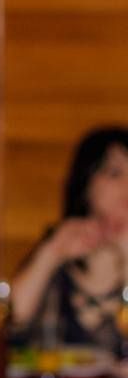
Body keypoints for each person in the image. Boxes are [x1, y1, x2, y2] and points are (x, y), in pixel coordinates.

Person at [8, 127, 128, 355]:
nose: (127, 184)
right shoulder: (60, 253)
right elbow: (9, 322)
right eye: (115, 173)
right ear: (86, 186)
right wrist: (50, 253)